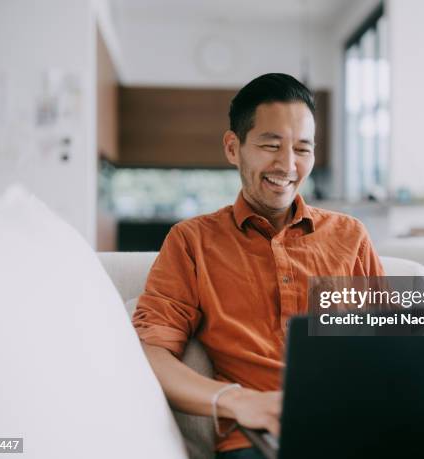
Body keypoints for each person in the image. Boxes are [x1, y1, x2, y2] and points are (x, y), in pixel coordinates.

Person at [132, 73, 386, 458]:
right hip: (260, 440)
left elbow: (393, 344)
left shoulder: (351, 236)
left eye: (303, 149)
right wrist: (236, 401)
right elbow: (151, 353)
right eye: (271, 145)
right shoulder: (192, 241)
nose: (287, 165)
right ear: (233, 148)